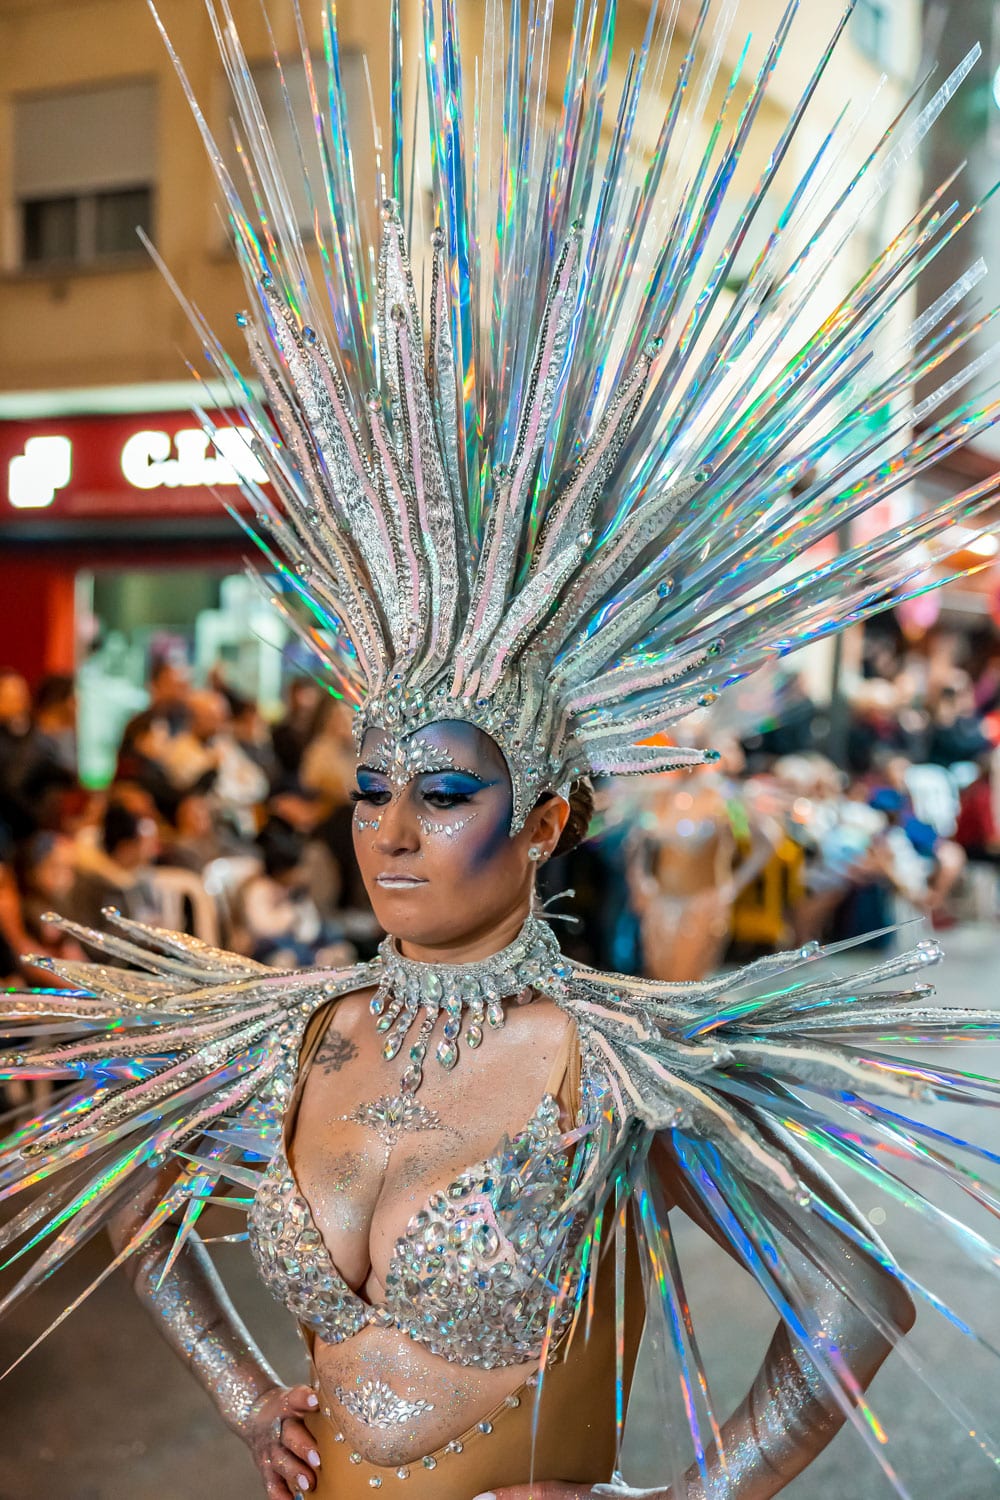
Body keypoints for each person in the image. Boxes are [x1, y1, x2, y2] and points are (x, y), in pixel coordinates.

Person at [3, 7, 1000, 1500]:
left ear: (545, 823)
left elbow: (856, 1300)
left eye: (449, 792)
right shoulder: (296, 1036)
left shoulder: (617, 1070)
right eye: (373, 790)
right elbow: (140, 1204)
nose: (392, 832)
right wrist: (233, 1391)